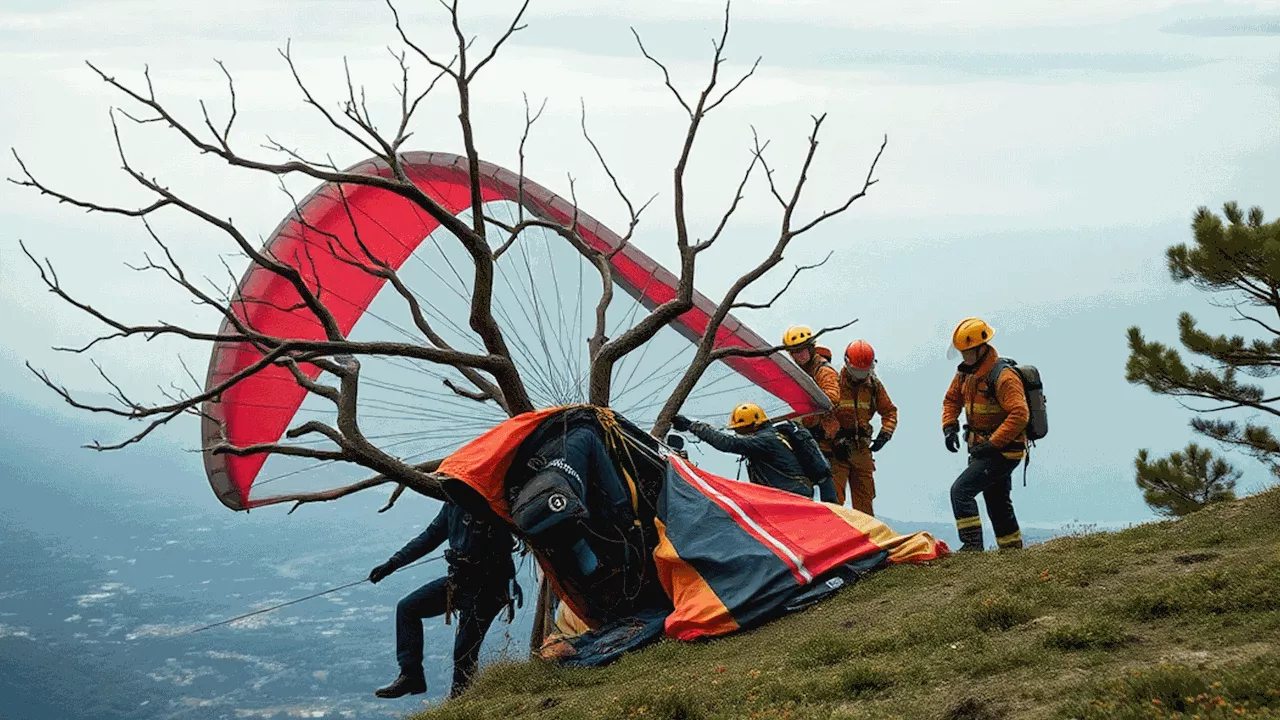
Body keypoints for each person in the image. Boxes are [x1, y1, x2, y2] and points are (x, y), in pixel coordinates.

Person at [368, 501, 521, 700]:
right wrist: (393, 563)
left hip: (489, 590)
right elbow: (430, 537)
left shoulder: (490, 505)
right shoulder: (453, 504)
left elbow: (505, 544)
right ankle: (411, 675)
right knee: (408, 608)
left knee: (464, 652)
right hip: (459, 582)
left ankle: (459, 702)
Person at [942, 317, 1029, 552]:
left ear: (981, 349)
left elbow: (1020, 414)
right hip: (984, 448)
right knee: (997, 501)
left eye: (966, 352)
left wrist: (993, 444)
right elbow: (952, 399)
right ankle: (1012, 551)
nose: (963, 357)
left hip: (1003, 451)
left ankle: (972, 548)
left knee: (960, 492)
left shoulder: (1003, 377)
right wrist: (949, 426)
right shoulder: (966, 374)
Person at [671, 402, 838, 503]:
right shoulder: (774, 435)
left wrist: (691, 426)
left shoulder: (764, 440)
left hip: (789, 498)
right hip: (794, 495)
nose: (739, 433)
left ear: (753, 425)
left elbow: (728, 443)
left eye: (741, 429)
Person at [831, 340, 898, 515]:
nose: (860, 376)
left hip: (861, 448)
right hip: (837, 450)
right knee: (834, 501)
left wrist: (886, 433)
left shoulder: (873, 385)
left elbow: (890, 411)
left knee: (865, 501)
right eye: (857, 372)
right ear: (847, 363)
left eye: (864, 372)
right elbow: (824, 413)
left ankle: (867, 538)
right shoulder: (834, 382)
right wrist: (836, 437)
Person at [781, 324, 842, 447]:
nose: (799, 354)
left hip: (829, 436)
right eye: (794, 352)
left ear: (811, 347)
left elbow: (832, 398)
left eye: (802, 349)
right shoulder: (800, 372)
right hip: (813, 434)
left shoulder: (824, 370)